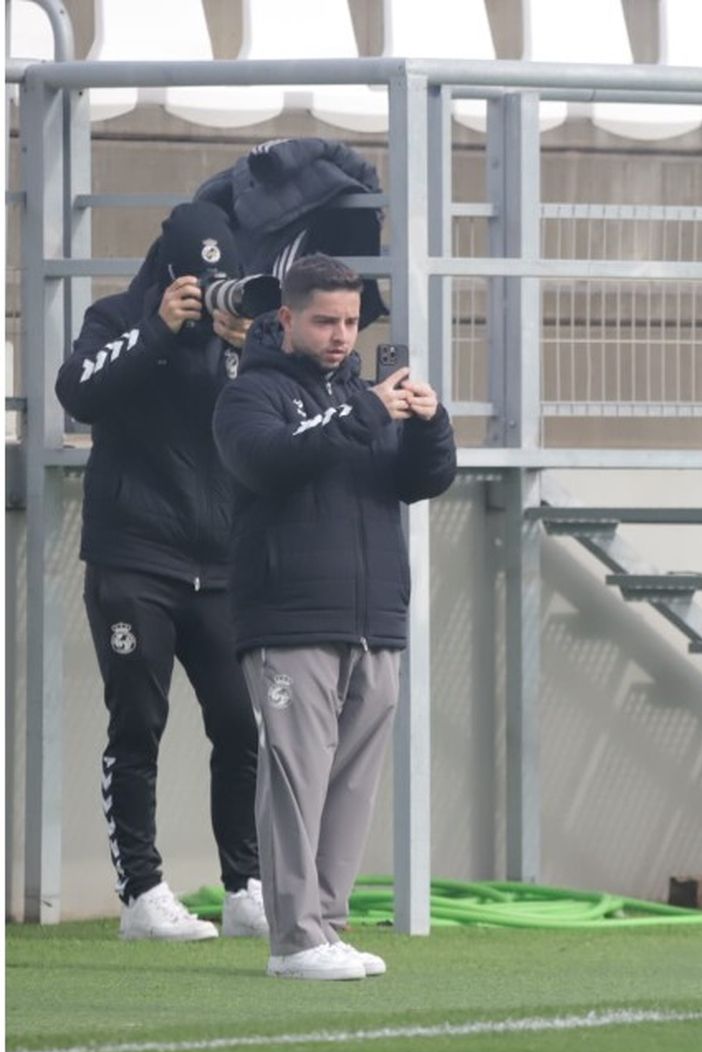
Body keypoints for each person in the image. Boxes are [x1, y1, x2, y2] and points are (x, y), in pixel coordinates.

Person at [213, 254, 457, 980]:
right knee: (295, 782)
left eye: (350, 321)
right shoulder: (248, 395)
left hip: (375, 621)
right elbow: (268, 463)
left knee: (350, 788)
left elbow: (425, 480)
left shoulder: (365, 397)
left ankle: (325, 927)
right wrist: (367, 411)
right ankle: (294, 940)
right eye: (324, 320)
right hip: (289, 621)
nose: (340, 335)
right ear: (285, 318)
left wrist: (429, 421)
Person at [55, 202, 267, 941]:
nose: (212, 294)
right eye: (198, 281)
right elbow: (76, 392)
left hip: (221, 565)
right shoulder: (115, 317)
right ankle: (142, 895)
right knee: (138, 725)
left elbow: (255, 424)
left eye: (223, 281)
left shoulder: (242, 333)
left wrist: (239, 347)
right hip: (134, 559)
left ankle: (246, 887)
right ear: (170, 270)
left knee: (243, 728)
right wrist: (158, 329)